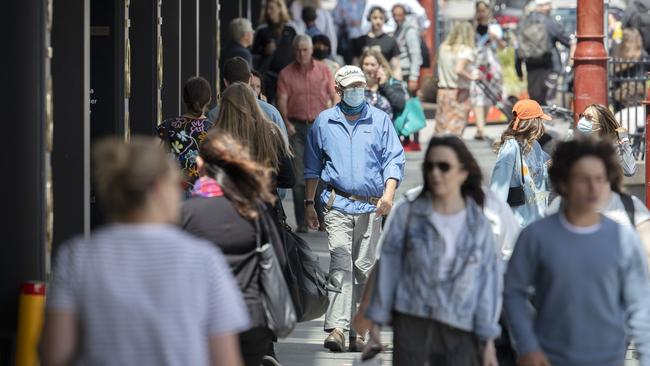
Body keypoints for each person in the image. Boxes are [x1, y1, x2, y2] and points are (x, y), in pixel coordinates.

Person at [40, 137, 249, 366]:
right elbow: (225, 359)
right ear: (158, 189)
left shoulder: (77, 257)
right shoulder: (202, 259)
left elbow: (54, 353)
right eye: (175, 184)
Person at [504, 137, 650, 366]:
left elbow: (640, 304)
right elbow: (513, 293)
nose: (594, 188)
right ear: (563, 182)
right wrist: (527, 345)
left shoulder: (623, 238)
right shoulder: (535, 237)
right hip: (549, 357)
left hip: (609, 358)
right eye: (583, 179)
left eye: (600, 179)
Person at [363, 136, 501, 365]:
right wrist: (375, 325)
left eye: (444, 167)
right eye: (430, 166)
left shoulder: (478, 224)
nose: (435, 173)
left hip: (461, 328)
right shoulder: (407, 214)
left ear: (463, 173)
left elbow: (487, 284)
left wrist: (487, 343)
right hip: (413, 323)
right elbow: (388, 268)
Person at [303, 65, 405, 352]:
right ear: (338, 90)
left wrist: (388, 195)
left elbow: (394, 160)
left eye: (360, 85)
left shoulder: (380, 120)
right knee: (339, 260)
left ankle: (358, 330)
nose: (356, 91)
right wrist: (309, 203)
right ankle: (337, 327)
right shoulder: (323, 123)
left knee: (363, 268)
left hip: (371, 207)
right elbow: (312, 167)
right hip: (336, 204)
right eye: (350, 87)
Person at [182, 131, 288, 366]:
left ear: (201, 164)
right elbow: (278, 259)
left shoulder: (187, 214)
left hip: (203, 318)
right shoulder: (255, 209)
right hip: (251, 318)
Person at [277, 34, 339, 233]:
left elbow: (334, 95)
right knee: (298, 176)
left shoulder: (323, 70)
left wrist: (334, 118)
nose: (301, 54)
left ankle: (321, 220)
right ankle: (303, 222)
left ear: (311, 50)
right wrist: (286, 123)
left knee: (320, 174)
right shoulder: (286, 74)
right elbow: (282, 100)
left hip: (320, 126)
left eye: (305, 50)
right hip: (296, 127)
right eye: (297, 50)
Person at [212, 82, 294, 203]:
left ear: (224, 107)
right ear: (254, 104)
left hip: (228, 208)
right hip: (264, 208)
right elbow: (288, 179)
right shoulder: (271, 133)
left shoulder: (216, 138)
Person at [490, 99, 552, 227]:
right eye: (540, 120)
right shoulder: (510, 148)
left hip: (537, 218)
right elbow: (498, 188)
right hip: (518, 223)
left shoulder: (535, 145)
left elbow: (547, 164)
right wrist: (495, 223)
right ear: (534, 123)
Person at [207, 56, 288, 138]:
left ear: (225, 82)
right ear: (251, 78)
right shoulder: (271, 112)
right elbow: (284, 146)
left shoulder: (214, 115)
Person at [157, 76, 213, 192]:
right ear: (209, 99)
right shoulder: (215, 130)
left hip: (174, 193)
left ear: (183, 99)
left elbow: (156, 159)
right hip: (204, 194)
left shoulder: (167, 126)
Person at [515, 0, 572, 106]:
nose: (550, 7)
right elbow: (566, 40)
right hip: (550, 66)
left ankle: (538, 121)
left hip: (531, 67)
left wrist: (519, 71)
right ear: (540, 7)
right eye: (548, 5)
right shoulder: (549, 22)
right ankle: (549, 120)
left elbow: (518, 49)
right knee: (550, 99)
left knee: (535, 101)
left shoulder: (523, 23)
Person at [434, 21, 476, 137]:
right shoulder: (465, 50)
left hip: (443, 91)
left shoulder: (443, 47)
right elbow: (459, 69)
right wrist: (472, 76)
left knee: (442, 128)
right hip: (459, 92)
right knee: (456, 128)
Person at [470, 0, 504, 140]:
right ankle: (480, 128)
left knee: (488, 97)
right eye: (480, 10)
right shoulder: (472, 27)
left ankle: (481, 126)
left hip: (491, 67)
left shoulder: (494, 27)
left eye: (484, 10)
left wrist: (494, 38)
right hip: (476, 65)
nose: (482, 13)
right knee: (477, 96)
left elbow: (503, 46)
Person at [252, 0, 297, 103]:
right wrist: (264, 51)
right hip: (269, 78)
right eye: (267, 8)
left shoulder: (290, 30)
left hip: (288, 77)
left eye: (271, 8)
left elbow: (296, 52)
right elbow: (253, 54)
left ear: (280, 9)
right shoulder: (262, 31)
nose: (268, 11)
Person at [392, 3, 423, 150]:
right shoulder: (398, 30)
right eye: (394, 15)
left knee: (413, 107)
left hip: (408, 74)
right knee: (404, 108)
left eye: (399, 14)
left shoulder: (409, 30)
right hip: (400, 74)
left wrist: (414, 76)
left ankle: (415, 140)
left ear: (405, 14)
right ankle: (407, 139)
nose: (397, 17)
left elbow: (415, 54)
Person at [576, 103, 636, 176]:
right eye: (582, 116)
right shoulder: (575, 144)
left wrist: (624, 141)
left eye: (589, 117)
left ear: (601, 124)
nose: (583, 121)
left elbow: (629, 171)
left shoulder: (609, 149)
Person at [352, 6, 402, 79]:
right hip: (364, 81)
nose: (378, 21)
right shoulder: (360, 41)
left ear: (385, 20)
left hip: (384, 80)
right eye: (375, 18)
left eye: (381, 18)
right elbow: (355, 65)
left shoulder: (391, 41)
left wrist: (397, 84)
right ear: (370, 18)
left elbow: (396, 67)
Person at [359, 47, 406, 120]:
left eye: (372, 65)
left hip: (387, 128)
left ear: (380, 66)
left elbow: (400, 105)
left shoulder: (391, 83)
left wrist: (384, 85)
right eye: (366, 64)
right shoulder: (358, 84)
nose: (369, 68)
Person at [611, 27, 648, 113]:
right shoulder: (643, 56)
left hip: (620, 100)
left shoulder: (618, 57)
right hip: (638, 98)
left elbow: (614, 83)